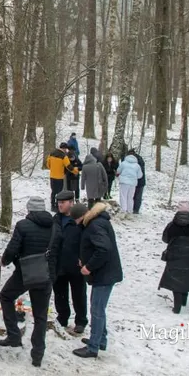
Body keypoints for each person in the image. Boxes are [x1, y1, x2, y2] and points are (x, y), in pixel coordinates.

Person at [0, 197, 54, 367]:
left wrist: (5, 261)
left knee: (6, 296)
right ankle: (38, 353)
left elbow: (13, 248)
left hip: (24, 273)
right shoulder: (54, 226)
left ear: (29, 210)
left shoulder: (23, 225)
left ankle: (14, 336)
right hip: (45, 274)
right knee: (41, 315)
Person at [72, 202, 123, 358]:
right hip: (105, 273)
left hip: (104, 274)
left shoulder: (94, 226)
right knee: (98, 308)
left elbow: (103, 249)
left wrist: (89, 266)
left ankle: (93, 348)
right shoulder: (98, 222)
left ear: (80, 217)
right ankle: (100, 339)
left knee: (97, 310)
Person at [49, 192, 88, 334]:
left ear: (71, 203)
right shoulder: (55, 220)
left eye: (63, 202)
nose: (60, 204)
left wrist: (84, 259)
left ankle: (81, 321)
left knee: (78, 294)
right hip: (59, 264)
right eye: (58, 202)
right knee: (60, 294)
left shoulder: (80, 220)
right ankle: (63, 317)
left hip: (76, 264)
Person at [159, 201, 189, 314]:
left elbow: (165, 239)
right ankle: (184, 301)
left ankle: (177, 306)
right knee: (187, 277)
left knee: (175, 279)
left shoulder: (171, 225)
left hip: (174, 255)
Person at [46, 144, 74, 212]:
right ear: (64, 149)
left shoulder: (51, 154)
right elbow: (68, 166)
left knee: (53, 191)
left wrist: (52, 169)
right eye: (66, 149)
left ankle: (52, 205)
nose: (66, 150)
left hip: (52, 176)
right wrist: (75, 170)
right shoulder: (64, 156)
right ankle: (57, 205)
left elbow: (48, 164)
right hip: (60, 177)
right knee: (59, 192)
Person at [115, 152, 144, 217]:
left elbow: (118, 171)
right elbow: (140, 176)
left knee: (123, 196)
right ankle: (129, 212)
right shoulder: (137, 166)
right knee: (130, 197)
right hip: (133, 184)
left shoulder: (123, 163)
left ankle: (123, 211)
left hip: (124, 182)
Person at [127, 148, 146, 214]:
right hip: (136, 181)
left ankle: (135, 209)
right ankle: (134, 209)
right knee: (135, 196)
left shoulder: (137, 161)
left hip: (138, 182)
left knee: (136, 196)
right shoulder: (138, 159)